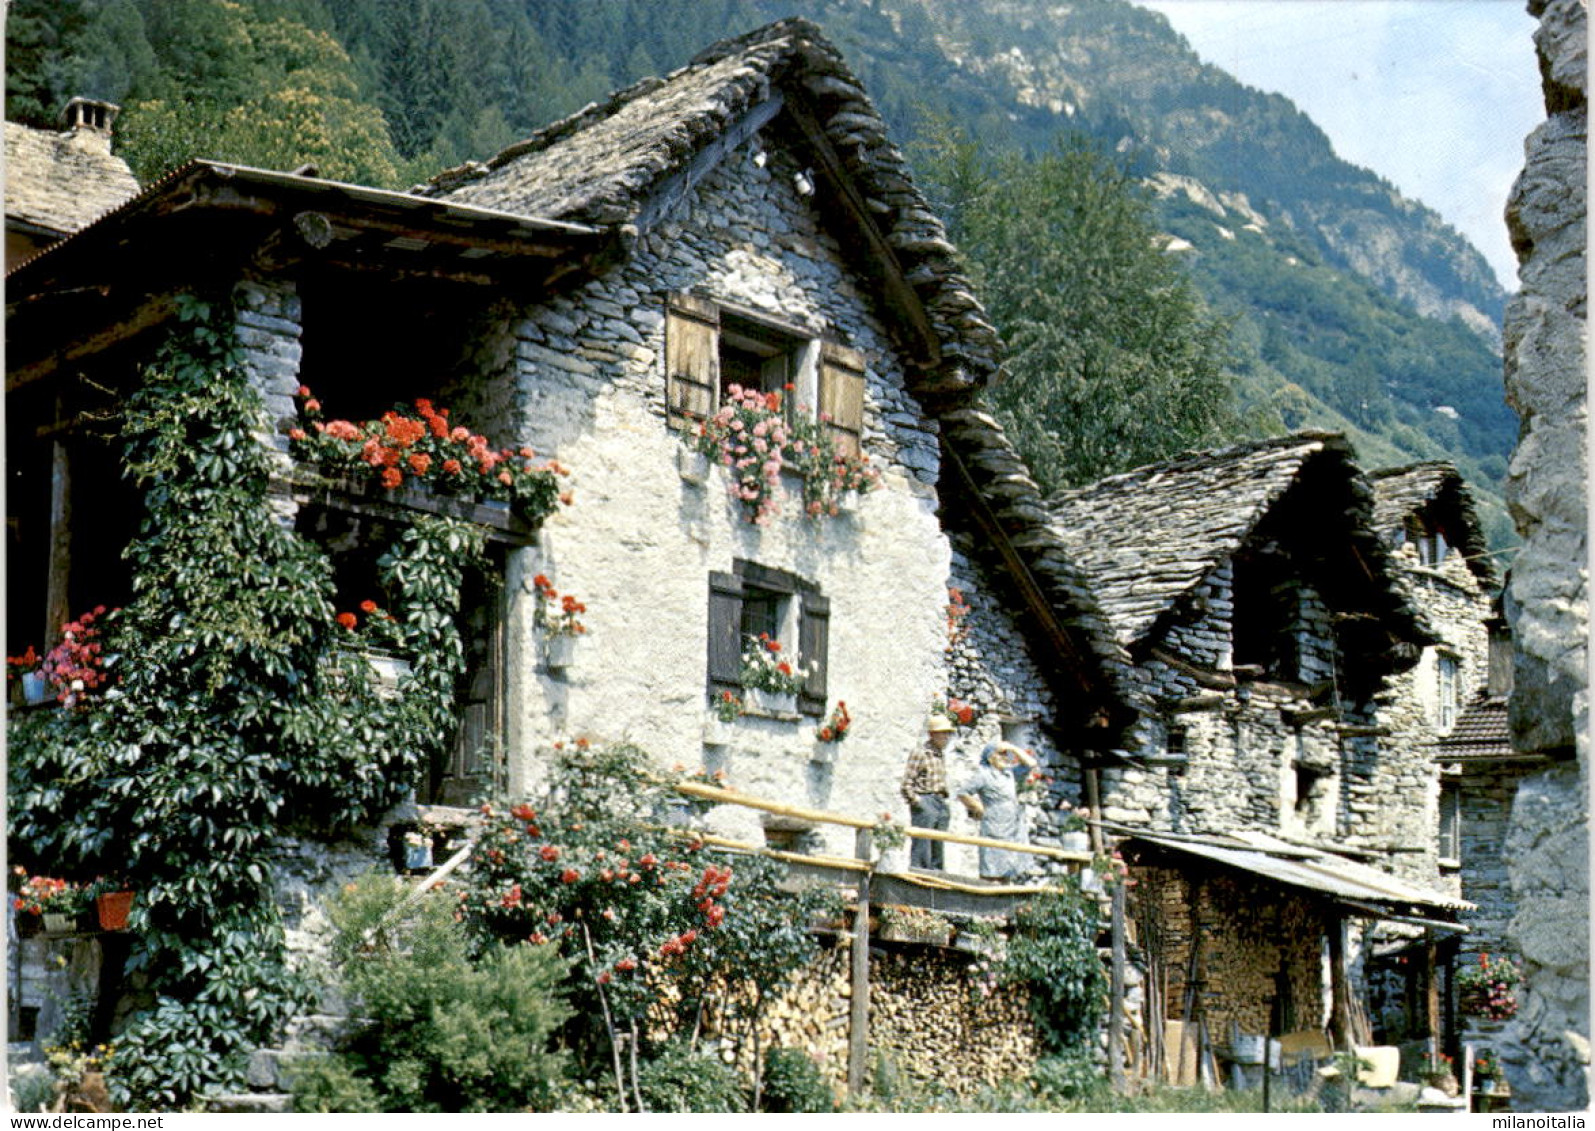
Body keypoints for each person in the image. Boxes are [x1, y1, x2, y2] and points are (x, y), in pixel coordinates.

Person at [958, 741, 1038, 880]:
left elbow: (1031, 764)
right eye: (1000, 754)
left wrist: (1012, 747)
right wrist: (976, 805)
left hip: (1012, 827)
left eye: (1006, 755)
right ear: (990, 758)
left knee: (1009, 871)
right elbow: (963, 792)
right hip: (994, 825)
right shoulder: (984, 774)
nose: (1005, 757)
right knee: (992, 871)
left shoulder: (1009, 773)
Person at [901, 714, 955, 870]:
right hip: (926, 799)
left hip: (940, 801)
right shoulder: (921, 753)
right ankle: (919, 876)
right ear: (932, 734)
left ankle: (937, 878)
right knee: (922, 846)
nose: (946, 737)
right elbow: (906, 784)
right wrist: (918, 802)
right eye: (942, 733)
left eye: (948, 733)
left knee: (938, 844)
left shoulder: (939, 755)